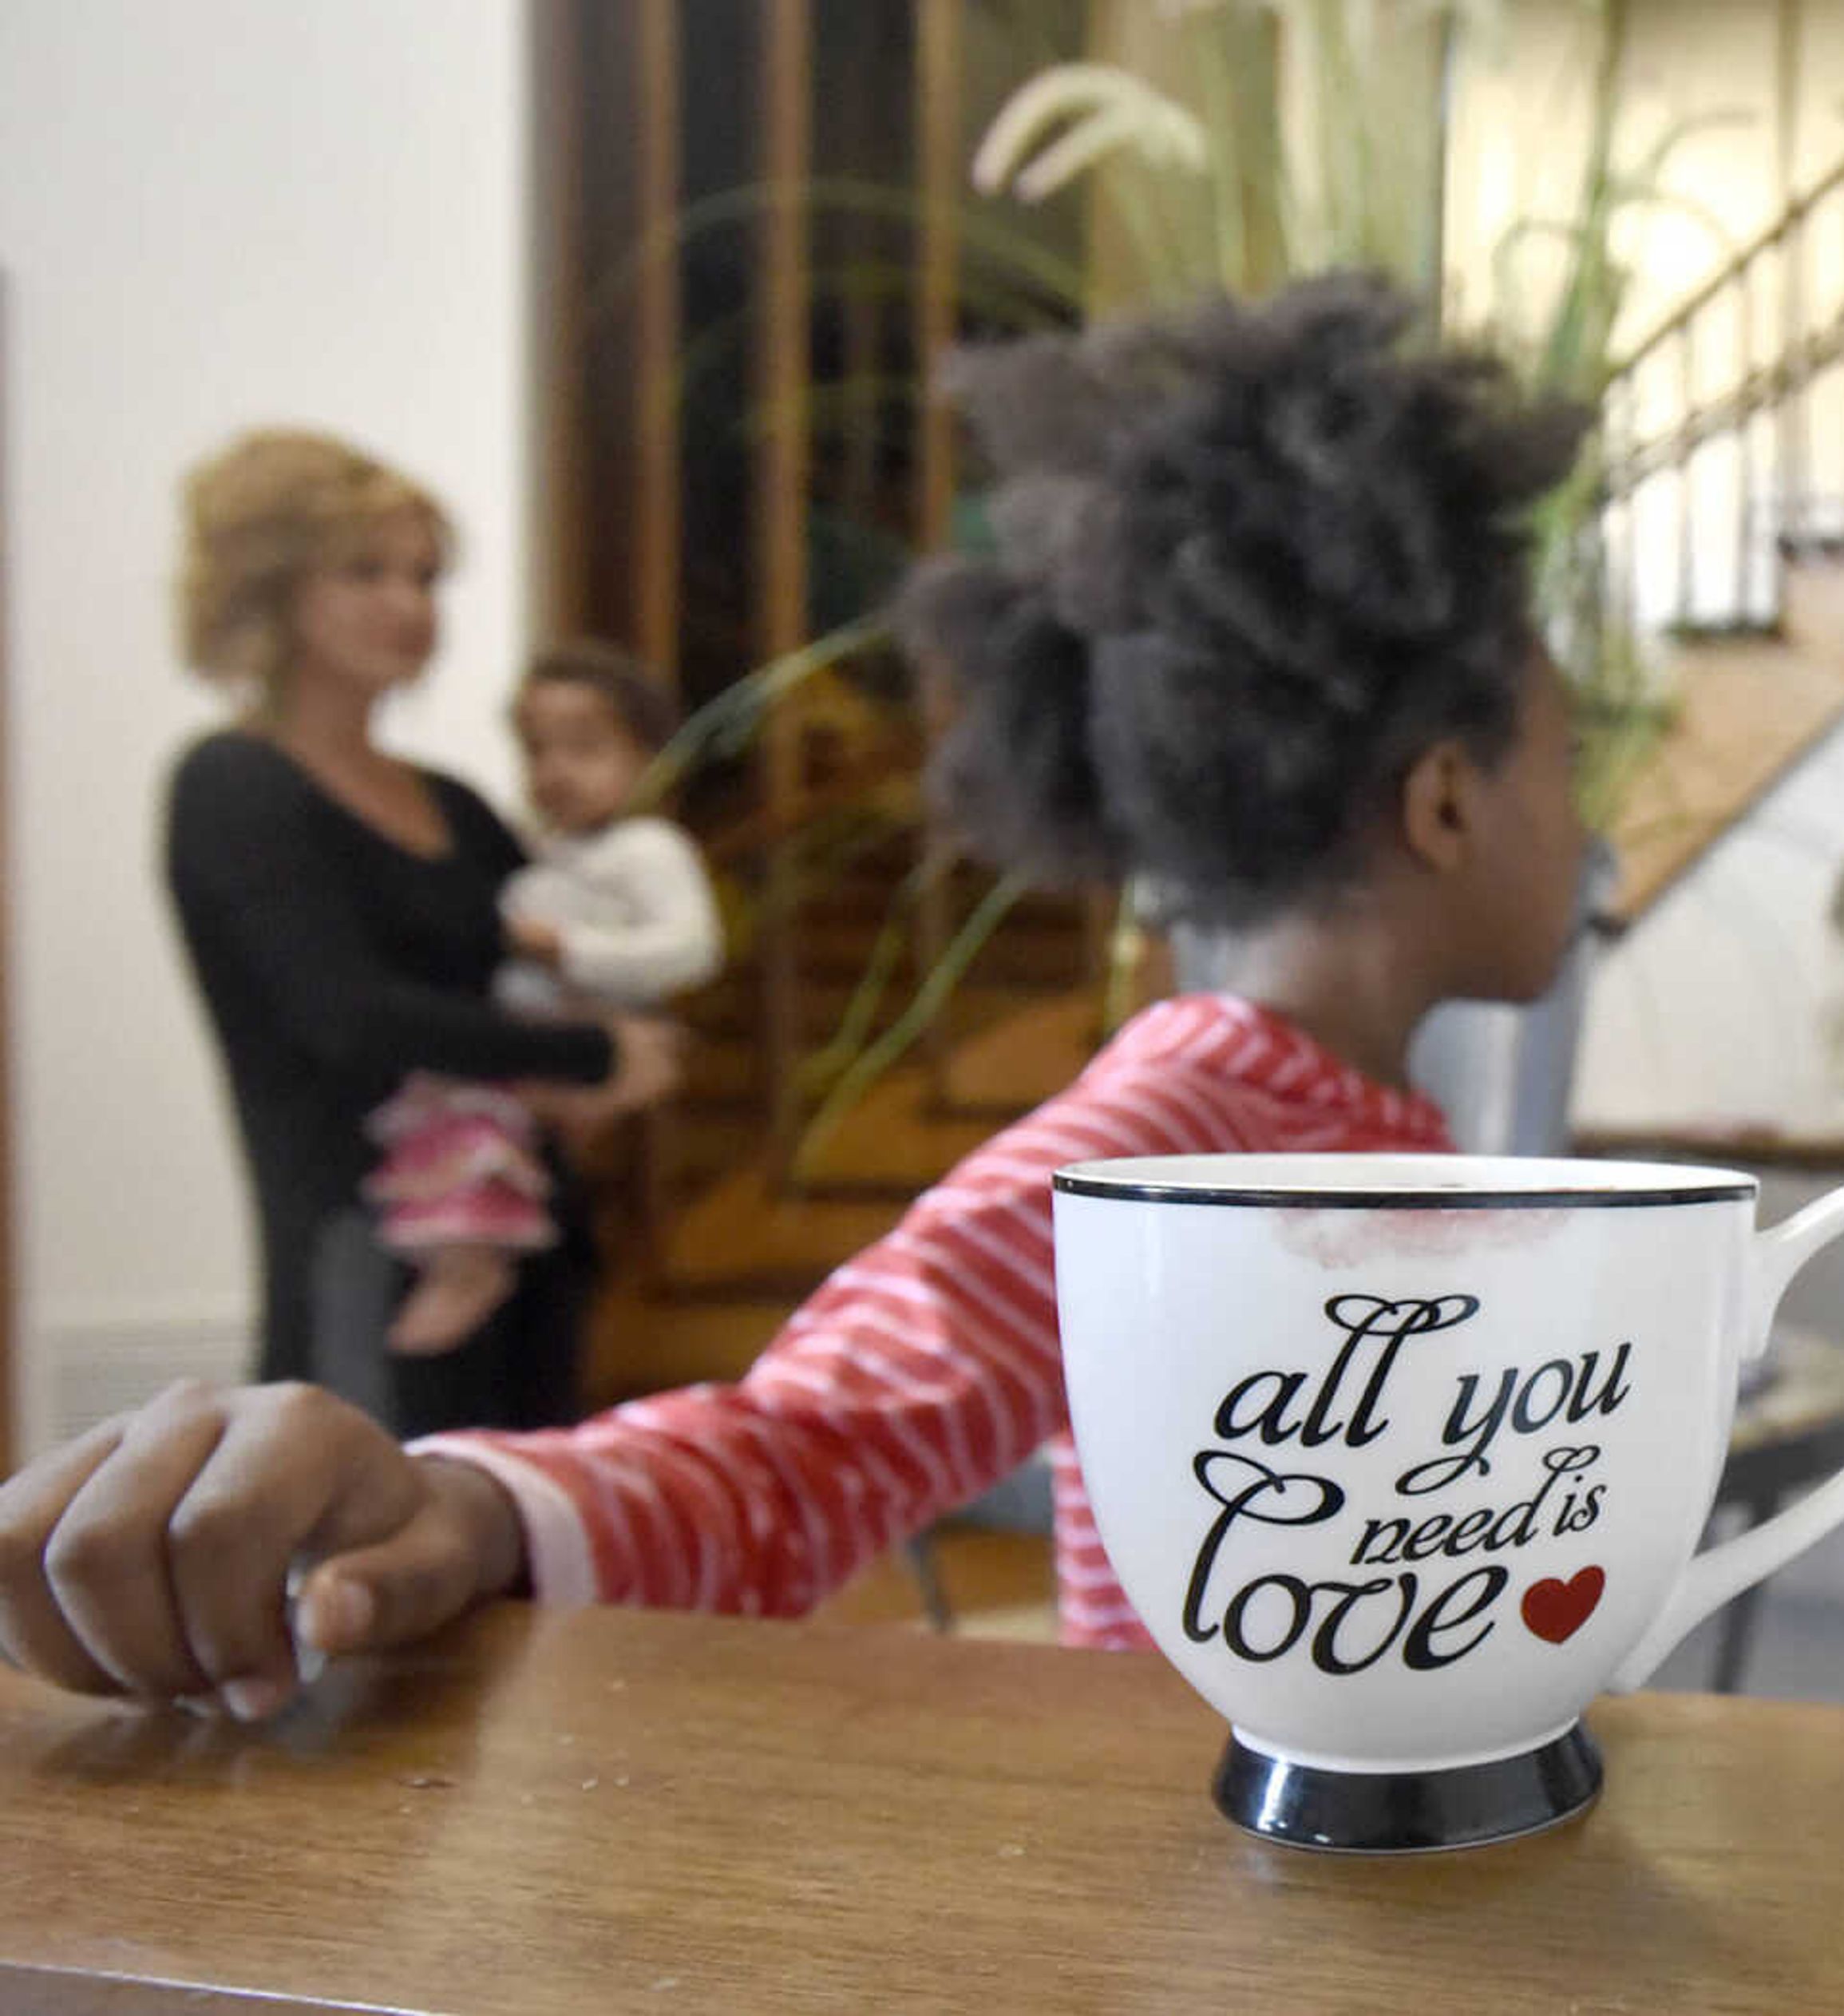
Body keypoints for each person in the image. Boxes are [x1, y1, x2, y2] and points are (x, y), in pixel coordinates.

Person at [0, 275, 1594, 1724]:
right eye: (1569, 765)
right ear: (1445, 801)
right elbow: (806, 1443)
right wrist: (475, 1506)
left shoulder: (1365, 1115)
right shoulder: (1170, 1130)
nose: (1590, 823)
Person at [158, 432, 683, 1439]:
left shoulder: (460, 805)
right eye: (367, 572)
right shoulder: (233, 785)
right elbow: (347, 1018)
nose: (411, 604)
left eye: (426, 576)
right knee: (372, 1553)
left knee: (527, 1542)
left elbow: (521, 987)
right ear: (272, 588)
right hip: (367, 1254)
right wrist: (595, 1051)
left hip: (530, 1235)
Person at [368, 644, 722, 1355]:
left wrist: (568, 950)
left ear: (650, 758)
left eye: (585, 749)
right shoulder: (538, 850)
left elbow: (693, 947)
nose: (556, 771)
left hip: (592, 1033)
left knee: (478, 1122)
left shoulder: (649, 848)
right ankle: (452, 1246)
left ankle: (472, 1263)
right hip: (530, 1037)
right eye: (538, 750)